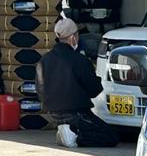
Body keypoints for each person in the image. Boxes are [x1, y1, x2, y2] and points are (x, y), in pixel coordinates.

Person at [36, 18, 119, 148]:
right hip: (77, 114)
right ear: (72, 37)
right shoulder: (80, 60)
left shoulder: (44, 60)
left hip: (53, 114)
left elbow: (40, 90)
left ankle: (66, 131)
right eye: (77, 35)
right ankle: (74, 136)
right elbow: (94, 90)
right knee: (110, 137)